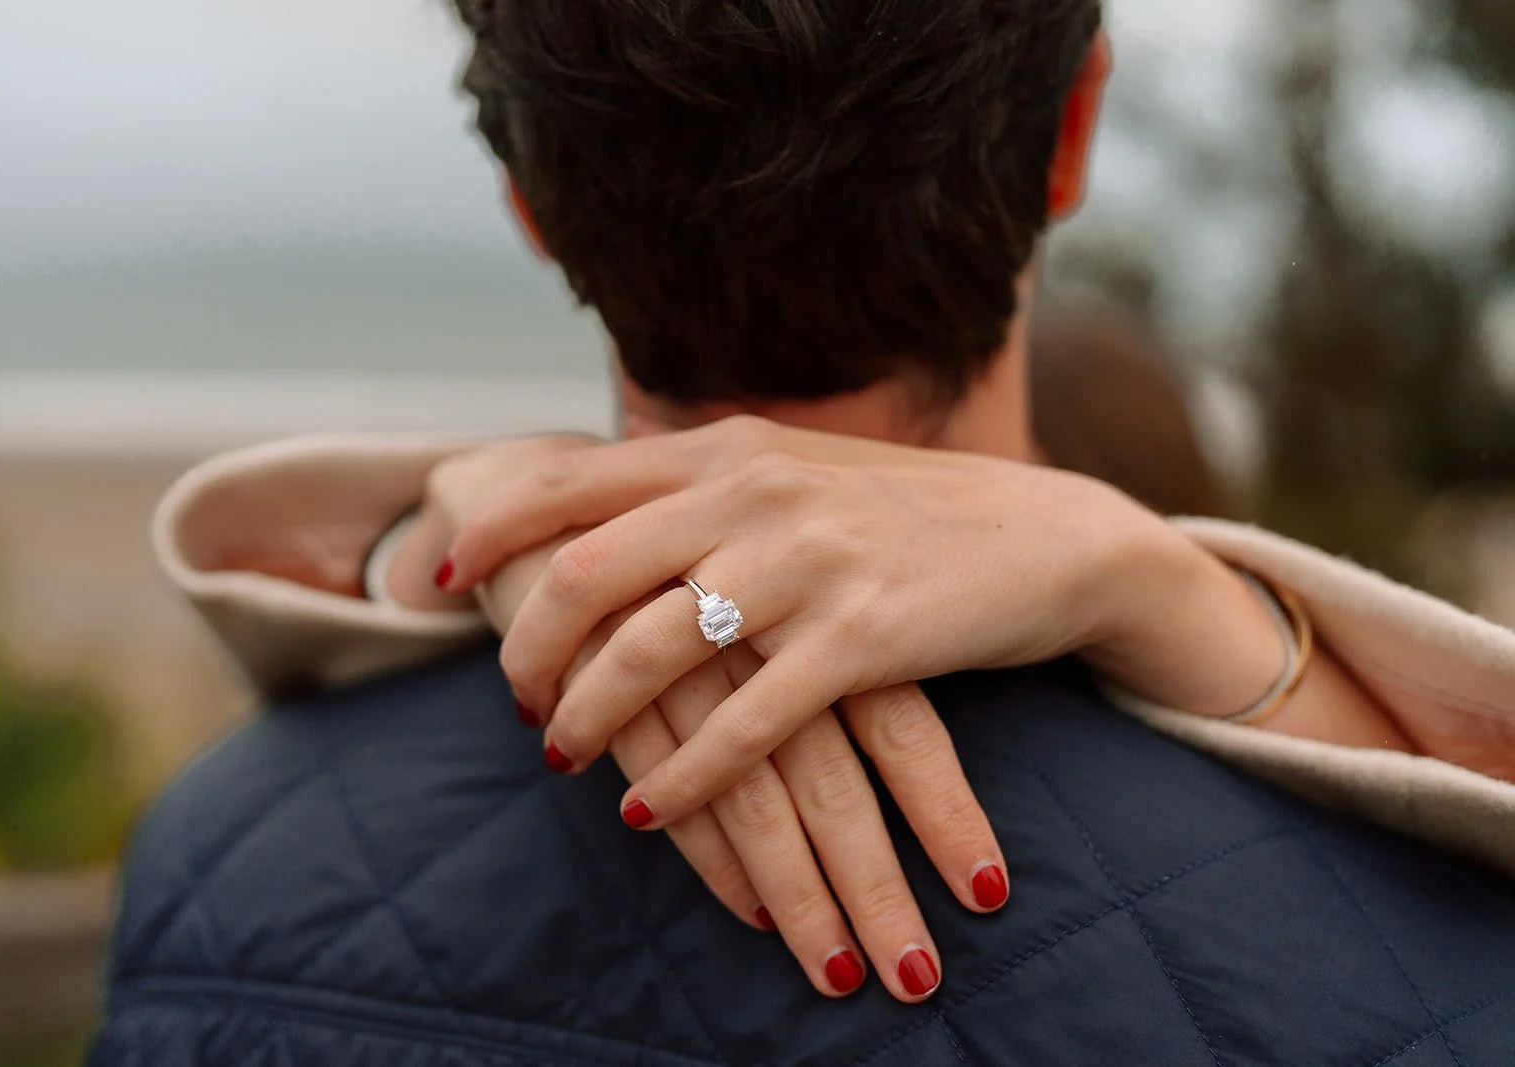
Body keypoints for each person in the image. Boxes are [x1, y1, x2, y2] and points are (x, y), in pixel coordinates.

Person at [95, 0, 1515, 1060]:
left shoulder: (207, 863)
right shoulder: (1423, 946)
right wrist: (1184, 593)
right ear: (1073, 129)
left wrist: (436, 533)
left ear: (530, 204)